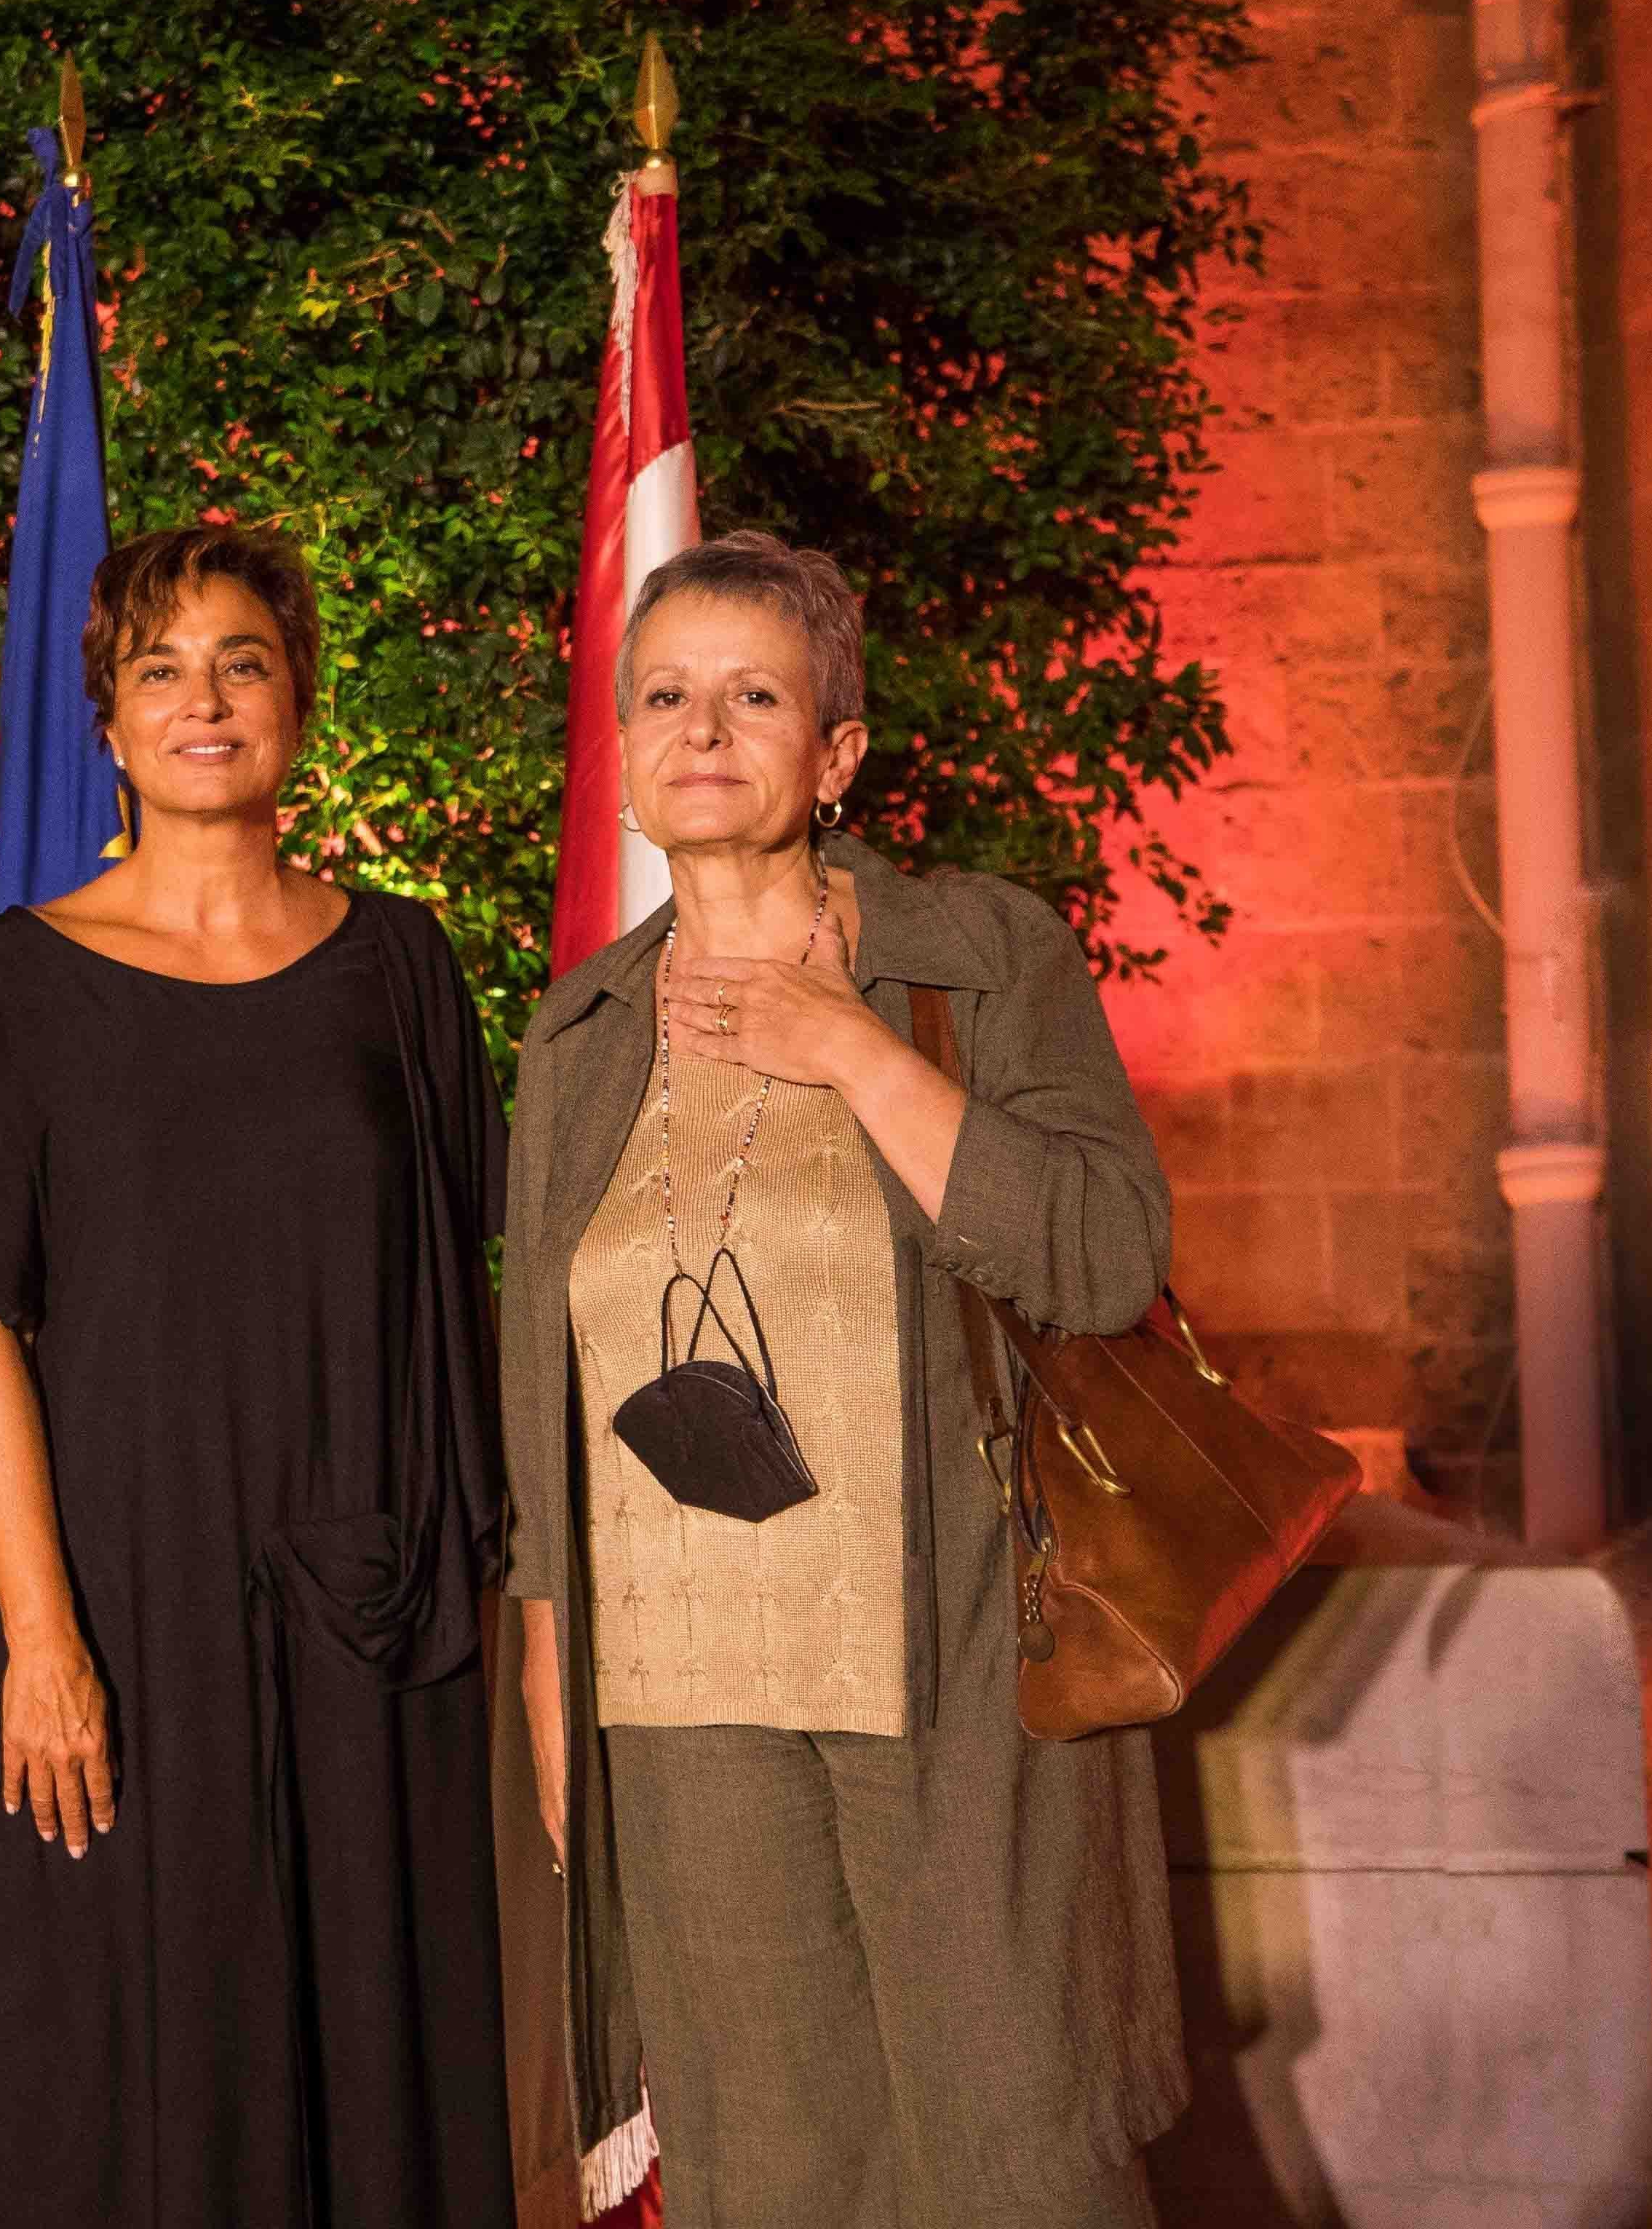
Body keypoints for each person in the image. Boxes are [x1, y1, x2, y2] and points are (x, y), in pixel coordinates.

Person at [501, 529, 1187, 2227]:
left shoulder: (976, 959)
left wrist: (861, 1056)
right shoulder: (578, 1039)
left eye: (755, 696)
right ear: (625, 754)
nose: (703, 729)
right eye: (665, 697)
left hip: (948, 1667)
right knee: (771, 2177)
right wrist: (552, 1681)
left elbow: (1105, 1253)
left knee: (1020, 2158)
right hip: (680, 1704)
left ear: (837, 754)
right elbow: (545, 1398)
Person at [0, 522, 517, 2229]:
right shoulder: (20, 981)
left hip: (361, 1611)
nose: (205, 700)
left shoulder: (402, 967)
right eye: (160, 669)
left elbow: (462, 1293)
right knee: (105, 2065)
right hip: (118, 1600)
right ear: (107, 722)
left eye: (243, 662)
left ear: (298, 703)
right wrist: (38, 1640)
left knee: (365, 2062)